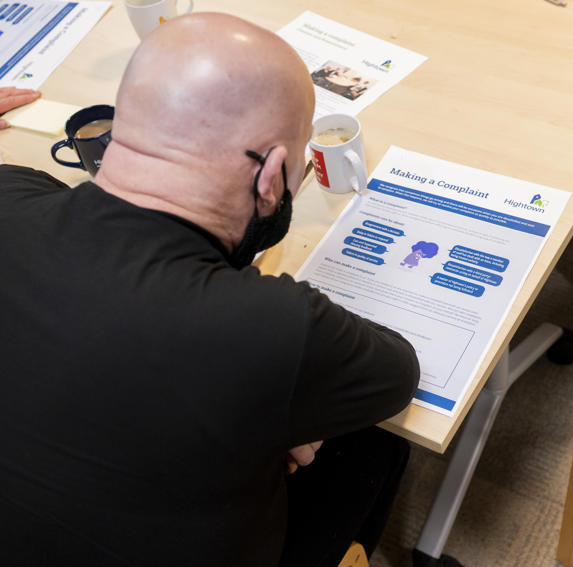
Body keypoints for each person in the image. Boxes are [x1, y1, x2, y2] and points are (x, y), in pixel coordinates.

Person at [0, 12, 419, 567]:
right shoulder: (277, 326)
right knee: (373, 442)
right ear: (271, 175)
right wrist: (277, 404)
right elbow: (398, 374)